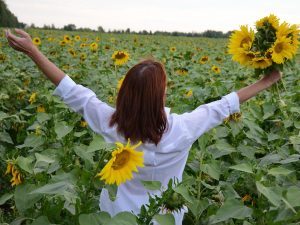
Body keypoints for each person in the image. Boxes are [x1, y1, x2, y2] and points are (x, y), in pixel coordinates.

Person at [5, 29, 281, 225]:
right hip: (165, 216)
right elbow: (223, 105)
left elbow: (72, 90)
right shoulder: (183, 129)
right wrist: (266, 81)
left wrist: (33, 52)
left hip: (114, 216)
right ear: (160, 96)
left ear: (125, 93)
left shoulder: (112, 124)